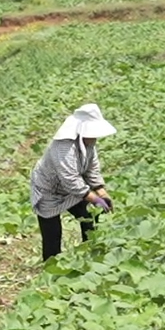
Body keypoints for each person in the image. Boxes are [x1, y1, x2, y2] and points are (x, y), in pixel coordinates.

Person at [30, 103, 115, 262]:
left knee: (90, 217)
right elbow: (70, 179)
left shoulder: (88, 144)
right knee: (52, 234)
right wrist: (94, 198)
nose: (95, 137)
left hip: (71, 190)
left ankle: (91, 254)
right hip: (49, 189)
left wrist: (101, 191)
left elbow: (92, 168)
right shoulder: (64, 147)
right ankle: (51, 268)